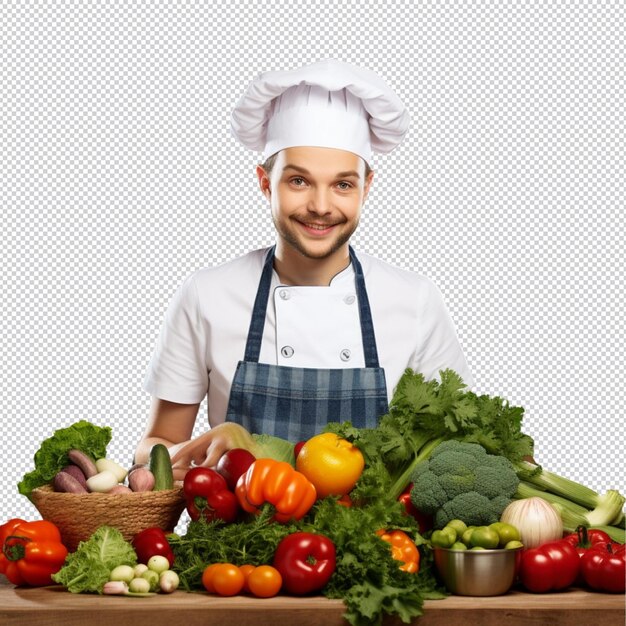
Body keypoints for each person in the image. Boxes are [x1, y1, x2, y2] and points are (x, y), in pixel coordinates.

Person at [134, 59, 474, 478]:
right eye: (298, 181)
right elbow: (157, 446)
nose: (320, 205)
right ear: (264, 182)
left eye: (343, 184)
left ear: (367, 187)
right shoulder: (207, 294)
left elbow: (458, 448)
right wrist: (216, 442)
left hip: (383, 542)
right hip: (238, 543)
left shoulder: (414, 299)